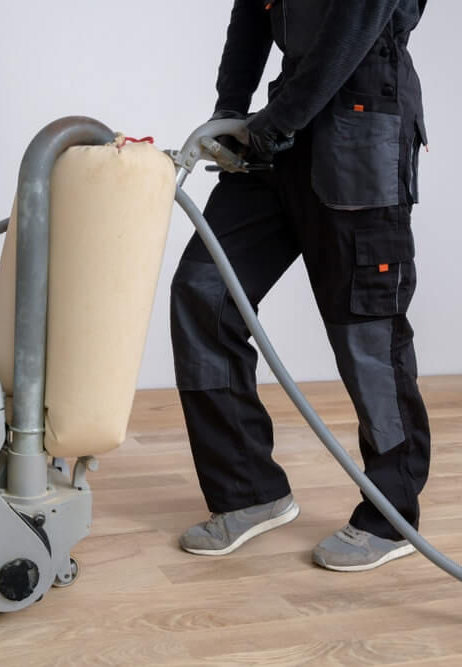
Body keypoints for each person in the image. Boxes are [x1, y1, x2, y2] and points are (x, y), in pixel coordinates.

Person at [171, 0, 429, 571]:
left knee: (366, 333)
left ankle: (392, 514)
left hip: (361, 127)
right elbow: (251, 15)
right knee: (205, 292)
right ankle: (248, 490)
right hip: (281, 129)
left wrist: (273, 125)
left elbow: (356, 24)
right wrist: (231, 112)